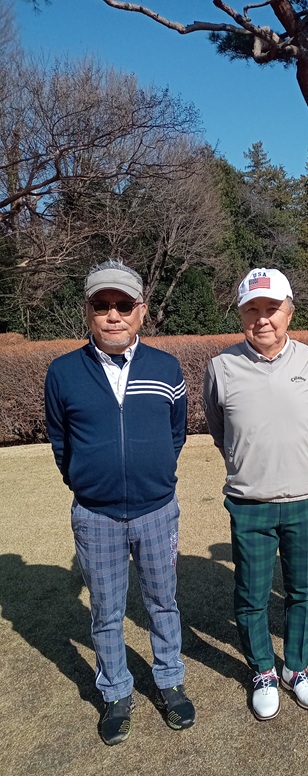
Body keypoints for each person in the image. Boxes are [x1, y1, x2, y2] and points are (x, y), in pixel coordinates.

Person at [45, 260, 195, 746]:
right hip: (97, 516)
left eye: (123, 305)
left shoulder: (166, 367)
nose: (113, 315)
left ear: (141, 311)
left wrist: (153, 475)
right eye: (102, 305)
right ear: (88, 311)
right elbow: (61, 442)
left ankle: (169, 680)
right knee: (106, 611)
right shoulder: (63, 372)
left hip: (157, 510)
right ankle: (115, 692)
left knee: (162, 602)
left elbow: (176, 433)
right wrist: (86, 482)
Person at [203, 268, 308, 721]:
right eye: (252, 309)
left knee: (302, 590)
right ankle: (263, 671)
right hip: (249, 502)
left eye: (272, 309)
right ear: (241, 315)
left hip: (306, 499)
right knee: (252, 594)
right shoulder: (221, 368)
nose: (262, 319)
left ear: (289, 312)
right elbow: (220, 431)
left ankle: (295, 668)